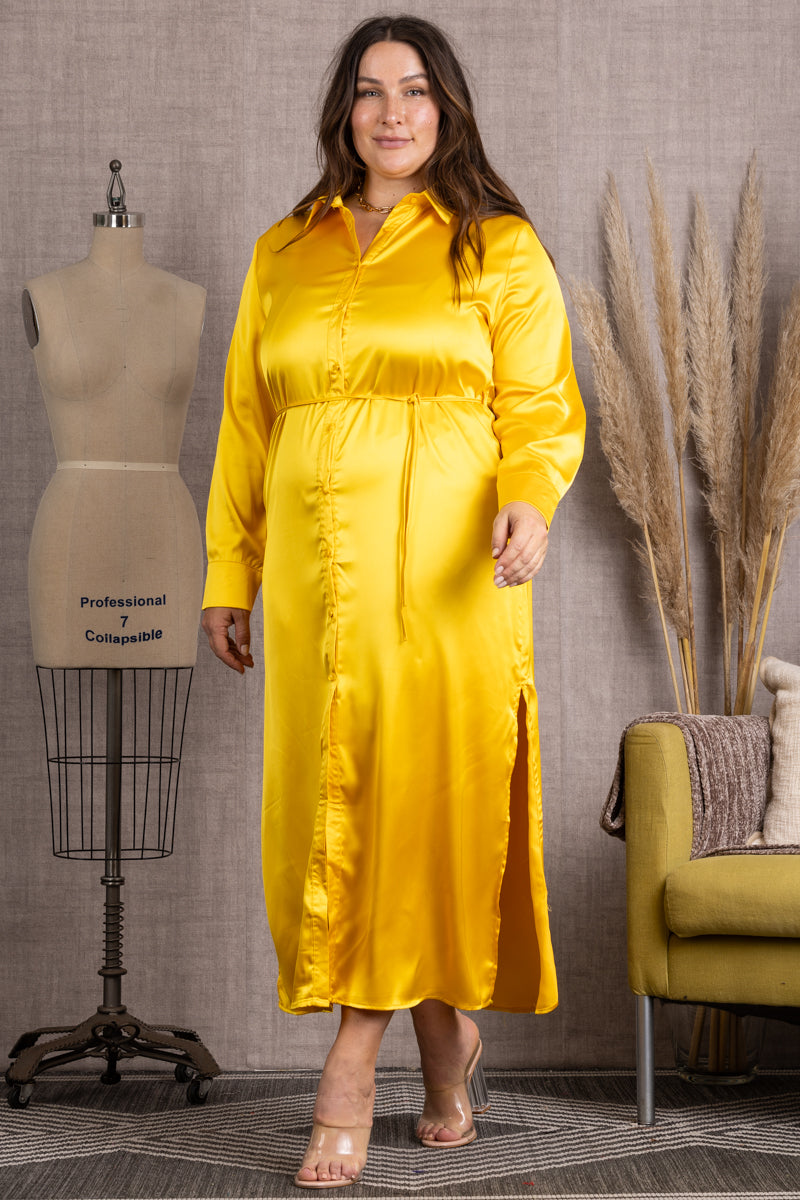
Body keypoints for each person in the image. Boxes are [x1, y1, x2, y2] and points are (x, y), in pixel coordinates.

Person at [202, 14, 585, 1189]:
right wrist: (227, 570)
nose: (391, 113)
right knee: (339, 804)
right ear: (344, 113)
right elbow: (246, 424)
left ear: (446, 107)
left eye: (413, 90)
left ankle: (348, 1071)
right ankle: (445, 1048)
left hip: (449, 578)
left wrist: (527, 501)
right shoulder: (283, 250)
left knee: (422, 802)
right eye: (368, 92)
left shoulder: (496, 246)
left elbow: (540, 410)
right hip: (315, 586)